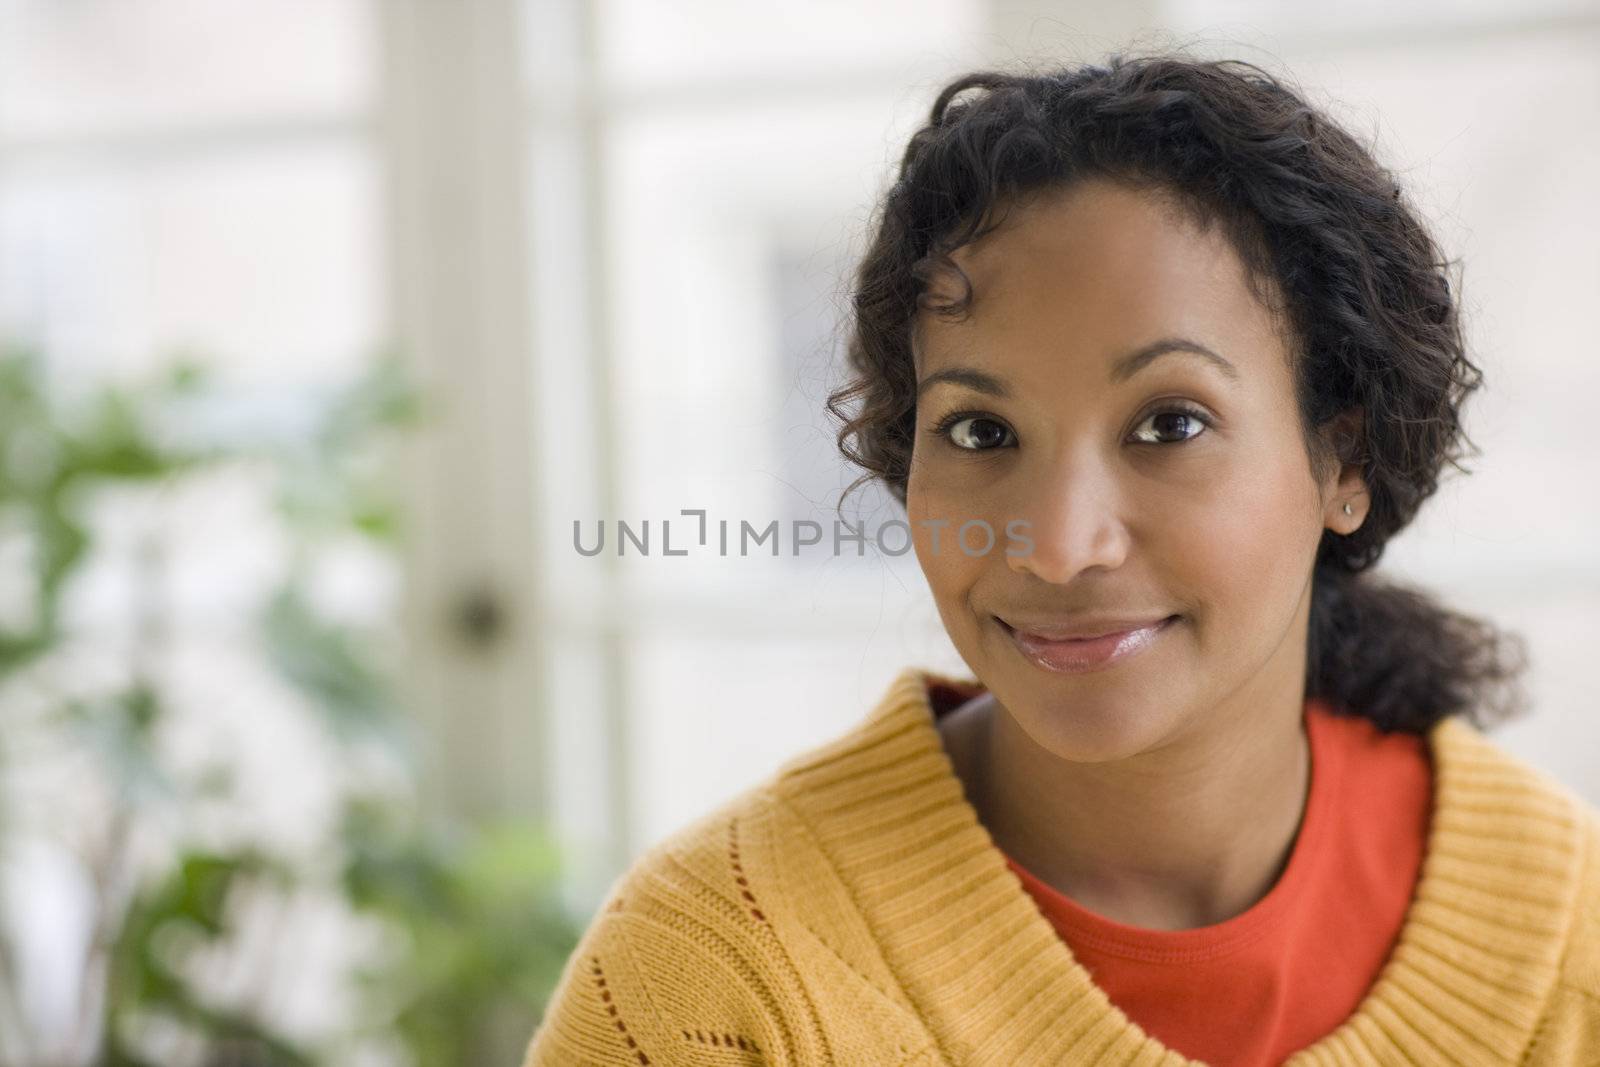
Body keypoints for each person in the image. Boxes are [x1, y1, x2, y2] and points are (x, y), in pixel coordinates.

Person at [522, 53, 1600, 1066]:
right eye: (981, 432)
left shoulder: (1570, 946)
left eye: (1169, 423)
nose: (1053, 543)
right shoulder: (717, 984)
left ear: (1342, 458)